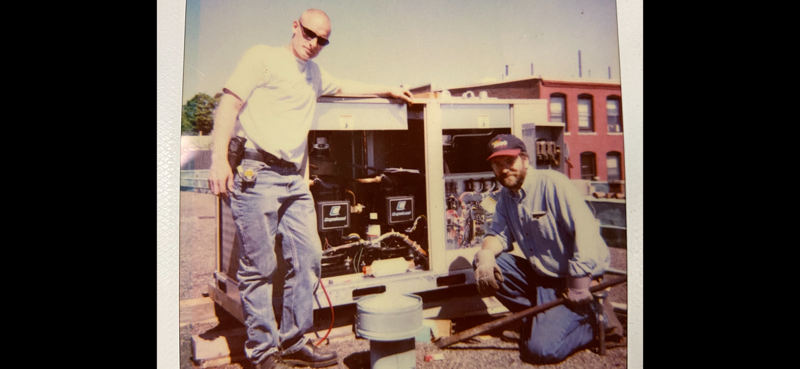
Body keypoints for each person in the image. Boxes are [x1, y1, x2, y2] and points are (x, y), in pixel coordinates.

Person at [207, 9, 413, 369]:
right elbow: (229, 104)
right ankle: (262, 351)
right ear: (294, 26)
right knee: (259, 267)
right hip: (256, 172)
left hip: (293, 178)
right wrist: (218, 160)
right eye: (308, 34)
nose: (313, 43)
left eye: (322, 40)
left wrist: (387, 89)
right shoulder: (262, 58)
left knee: (309, 258)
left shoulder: (314, 74)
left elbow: (346, 85)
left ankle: (294, 340)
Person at [473, 134, 623, 364]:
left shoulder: (553, 183)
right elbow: (498, 235)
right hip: (543, 277)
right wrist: (484, 256)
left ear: (525, 159)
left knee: (540, 350)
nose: (504, 170)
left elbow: (586, 230)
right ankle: (542, 320)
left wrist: (579, 280)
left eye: (509, 162)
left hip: (574, 280)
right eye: (497, 164)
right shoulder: (506, 196)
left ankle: (595, 320)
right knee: (490, 263)